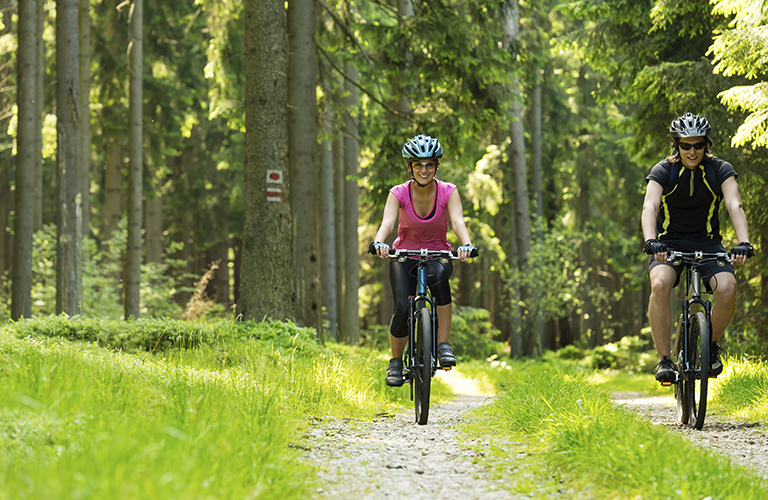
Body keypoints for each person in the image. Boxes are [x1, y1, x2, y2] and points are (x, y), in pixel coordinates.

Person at [642, 112, 754, 384]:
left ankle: (710, 345)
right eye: (685, 145)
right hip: (667, 243)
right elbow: (650, 206)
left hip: (708, 243)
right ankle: (665, 360)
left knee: (727, 288)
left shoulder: (720, 169)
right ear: (676, 145)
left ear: (707, 145)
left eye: (698, 145)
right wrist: (651, 239)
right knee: (659, 285)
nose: (692, 151)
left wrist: (743, 242)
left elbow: (734, 204)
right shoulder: (663, 171)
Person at [371, 134, 474, 387]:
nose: (424, 170)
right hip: (404, 256)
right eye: (418, 164)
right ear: (410, 167)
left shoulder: (448, 191)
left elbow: (458, 221)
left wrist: (467, 244)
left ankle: (443, 345)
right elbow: (388, 222)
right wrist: (379, 242)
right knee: (403, 308)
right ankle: (395, 362)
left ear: (437, 165)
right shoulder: (398, 193)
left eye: (429, 164)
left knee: (440, 282)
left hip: (438, 253)